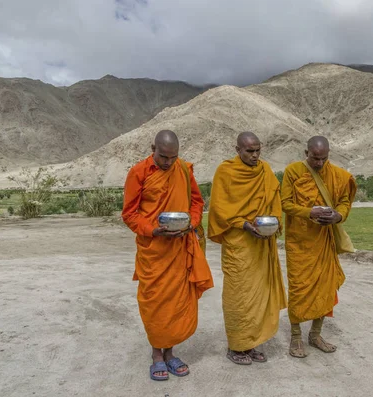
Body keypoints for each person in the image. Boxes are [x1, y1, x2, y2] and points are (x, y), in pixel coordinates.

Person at [121, 130, 214, 381]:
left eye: (173, 157)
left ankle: (171, 353)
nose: (167, 163)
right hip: (153, 250)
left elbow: (197, 203)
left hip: (180, 247)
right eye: (163, 157)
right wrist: (153, 230)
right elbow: (129, 214)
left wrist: (191, 224)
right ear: (153, 148)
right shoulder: (138, 173)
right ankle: (156, 355)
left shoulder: (183, 169)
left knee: (176, 303)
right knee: (155, 304)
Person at [208, 131, 287, 365]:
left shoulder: (266, 171)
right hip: (239, 245)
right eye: (249, 151)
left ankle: (252, 343)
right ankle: (236, 346)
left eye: (258, 150)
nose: (255, 155)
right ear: (237, 150)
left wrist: (271, 224)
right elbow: (220, 209)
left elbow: (275, 202)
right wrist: (244, 224)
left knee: (259, 294)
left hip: (262, 243)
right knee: (239, 295)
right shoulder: (226, 171)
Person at [280, 136, 357, 358]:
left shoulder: (337, 174)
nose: (319, 163)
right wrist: (309, 212)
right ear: (307, 153)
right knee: (299, 288)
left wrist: (338, 215)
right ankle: (295, 337)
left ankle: (315, 334)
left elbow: (344, 200)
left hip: (324, 240)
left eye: (324, 158)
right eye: (315, 158)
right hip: (300, 242)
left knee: (325, 287)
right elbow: (285, 203)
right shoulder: (293, 171)